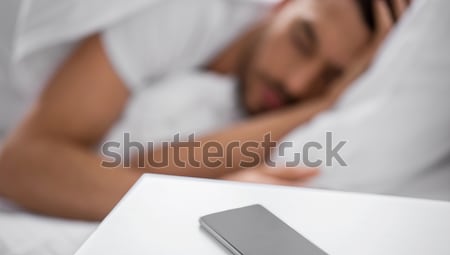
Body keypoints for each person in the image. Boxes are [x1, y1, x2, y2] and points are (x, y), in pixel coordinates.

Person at [0, 0, 408, 220]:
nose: (297, 83)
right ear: (282, 5)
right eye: (303, 40)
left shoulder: (281, 105)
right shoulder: (190, 10)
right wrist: (207, 206)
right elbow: (22, 164)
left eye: (329, 76)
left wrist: (325, 106)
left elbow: (141, 170)